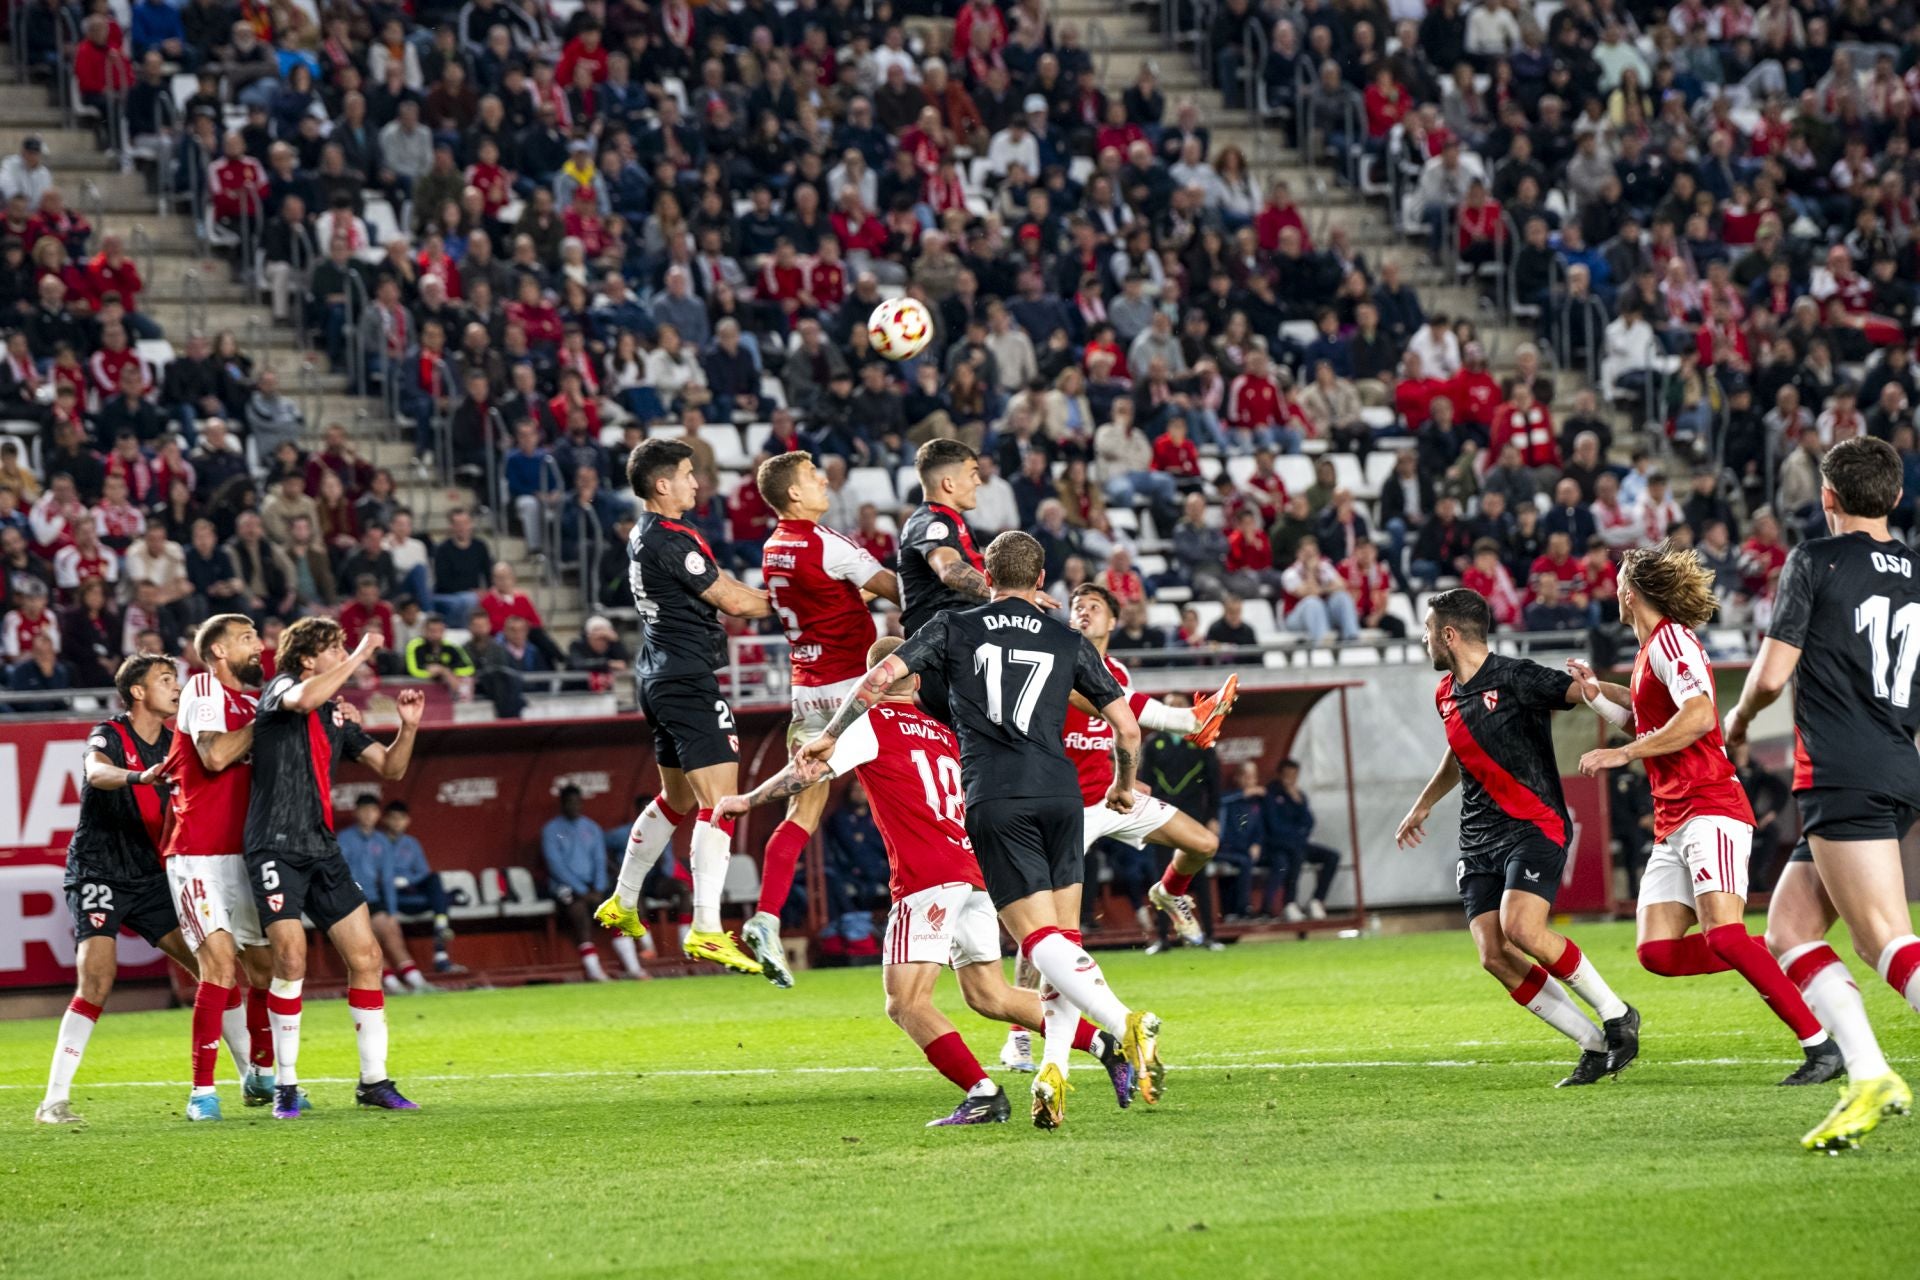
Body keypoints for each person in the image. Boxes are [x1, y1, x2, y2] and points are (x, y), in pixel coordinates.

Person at [799, 531, 1160, 1130]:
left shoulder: (955, 627)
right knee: (1058, 945)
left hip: (997, 795)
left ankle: (1124, 1022)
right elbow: (1126, 727)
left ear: (984, 576)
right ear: (1041, 579)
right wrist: (1123, 785)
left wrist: (832, 732)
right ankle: (1057, 1073)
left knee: (1039, 941)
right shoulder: (1068, 638)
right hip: (1063, 794)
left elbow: (878, 677)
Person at [718, 635, 1137, 1127]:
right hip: (974, 872)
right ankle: (1104, 1043)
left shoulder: (869, 722)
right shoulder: (942, 732)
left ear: (868, 684)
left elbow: (806, 773)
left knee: (905, 1003)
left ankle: (983, 1093)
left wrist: (747, 799)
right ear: (916, 681)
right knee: (990, 996)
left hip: (926, 878)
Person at [1569, 545, 1841, 1085]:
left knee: (1722, 934)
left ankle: (1821, 1047)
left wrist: (1624, 754)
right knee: (1658, 951)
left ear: (1631, 591)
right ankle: (1783, 947)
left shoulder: (1671, 639)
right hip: (1675, 815)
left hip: (1710, 804)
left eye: (1618, 582)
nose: (1613, 591)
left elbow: (1697, 717)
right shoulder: (1650, 649)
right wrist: (1597, 696)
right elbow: (1649, 722)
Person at [1725, 436, 1920, 1151]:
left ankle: (1870, 1075)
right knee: (1789, 930)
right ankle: (1867, 1073)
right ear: (1895, 497)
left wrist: (1739, 722)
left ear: (1827, 497)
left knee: (1883, 940)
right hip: (1896, 764)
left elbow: (1773, 674)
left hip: (1843, 768)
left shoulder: (1815, 561)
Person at [1395, 589, 1640, 1088]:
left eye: (1427, 630)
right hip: (1477, 837)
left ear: (1449, 634)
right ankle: (1592, 1045)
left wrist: (1634, 702)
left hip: (1533, 823)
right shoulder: (1445, 692)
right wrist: (1423, 803)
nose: (1422, 639)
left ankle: (1618, 1015)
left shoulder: (1516, 676)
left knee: (1522, 930)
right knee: (1493, 954)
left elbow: (1583, 692)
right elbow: (1460, 753)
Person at [994, 584, 1236, 1071]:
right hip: (1061, 809)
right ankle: (1020, 1034)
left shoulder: (1119, 674)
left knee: (1203, 842)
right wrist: (1179, 718)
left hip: (1112, 797)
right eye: (1077, 607)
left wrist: (1130, 779)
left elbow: (1119, 729)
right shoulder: (1054, 657)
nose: (1083, 612)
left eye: (1095, 607)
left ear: (1113, 622)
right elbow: (1096, 699)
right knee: (1049, 932)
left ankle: (1169, 893)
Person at [593, 439, 773, 976]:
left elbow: (723, 587)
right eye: (689, 474)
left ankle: (623, 901)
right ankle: (707, 928)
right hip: (688, 680)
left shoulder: (649, 535)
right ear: (662, 484)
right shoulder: (669, 538)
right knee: (721, 803)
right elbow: (735, 602)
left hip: (658, 676)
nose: (697, 482)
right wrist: (803, 603)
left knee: (675, 798)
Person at [244, 619, 426, 1119]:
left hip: (321, 849)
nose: (345, 652)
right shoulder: (281, 689)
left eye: (347, 646)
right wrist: (363, 654)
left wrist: (408, 728)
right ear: (307, 659)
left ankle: (374, 1080)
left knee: (367, 957)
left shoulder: (336, 714)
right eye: (335, 648)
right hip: (274, 848)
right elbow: (301, 700)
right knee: (291, 961)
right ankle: (285, 1084)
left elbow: (389, 768)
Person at [745, 451, 901, 984]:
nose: (822, 480)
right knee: (918, 786)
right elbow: (894, 588)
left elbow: (823, 599)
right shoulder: (825, 543)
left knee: (802, 817)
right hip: (854, 692)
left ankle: (765, 918)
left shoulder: (774, 548)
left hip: (805, 690)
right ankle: (947, 916)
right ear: (794, 493)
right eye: (812, 477)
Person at [36, 657, 201, 1124]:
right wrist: (139, 777)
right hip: (98, 872)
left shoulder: (177, 744)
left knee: (214, 968)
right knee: (98, 980)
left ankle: (254, 1077)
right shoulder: (109, 732)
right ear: (137, 692)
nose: (176, 686)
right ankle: (53, 1101)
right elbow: (95, 772)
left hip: (151, 878)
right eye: (165, 680)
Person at [158, 614, 283, 1121]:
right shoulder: (203, 687)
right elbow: (212, 756)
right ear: (217, 652)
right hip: (199, 851)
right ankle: (202, 1093)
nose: (259, 646)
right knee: (218, 963)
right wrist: (265, 722)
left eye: (258, 637)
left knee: (265, 967)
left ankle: (261, 1075)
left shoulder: (256, 700)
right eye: (247, 639)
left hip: (247, 851)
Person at [338, 795, 434, 994]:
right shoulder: (344, 839)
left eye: (372, 810)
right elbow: (338, 873)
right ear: (356, 812)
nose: (368, 815)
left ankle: (413, 981)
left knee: (391, 931)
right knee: (370, 940)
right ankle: (397, 983)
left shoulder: (381, 840)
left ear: (378, 814)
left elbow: (388, 878)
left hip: (374, 898)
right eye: (364, 810)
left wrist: (392, 910)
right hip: (350, 899)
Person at [544, 785, 640, 981]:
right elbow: (555, 865)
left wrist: (599, 887)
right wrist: (580, 890)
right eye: (570, 802)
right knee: (579, 912)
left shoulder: (592, 827)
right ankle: (593, 969)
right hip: (565, 886)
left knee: (615, 911)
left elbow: (599, 859)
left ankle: (633, 966)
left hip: (593, 886)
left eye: (577, 802)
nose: (574, 806)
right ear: (562, 804)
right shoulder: (551, 830)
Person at [1265, 759, 1341, 921]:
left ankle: (1317, 900)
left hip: (1299, 843)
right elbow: (1274, 826)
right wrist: (1297, 833)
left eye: (1294, 776)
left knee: (1332, 857)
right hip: (1279, 845)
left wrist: (1298, 802)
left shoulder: (1299, 796)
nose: (1291, 779)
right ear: (1280, 775)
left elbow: (1309, 823)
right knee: (1296, 853)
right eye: (1288, 775)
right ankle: (1289, 903)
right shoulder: (1271, 794)